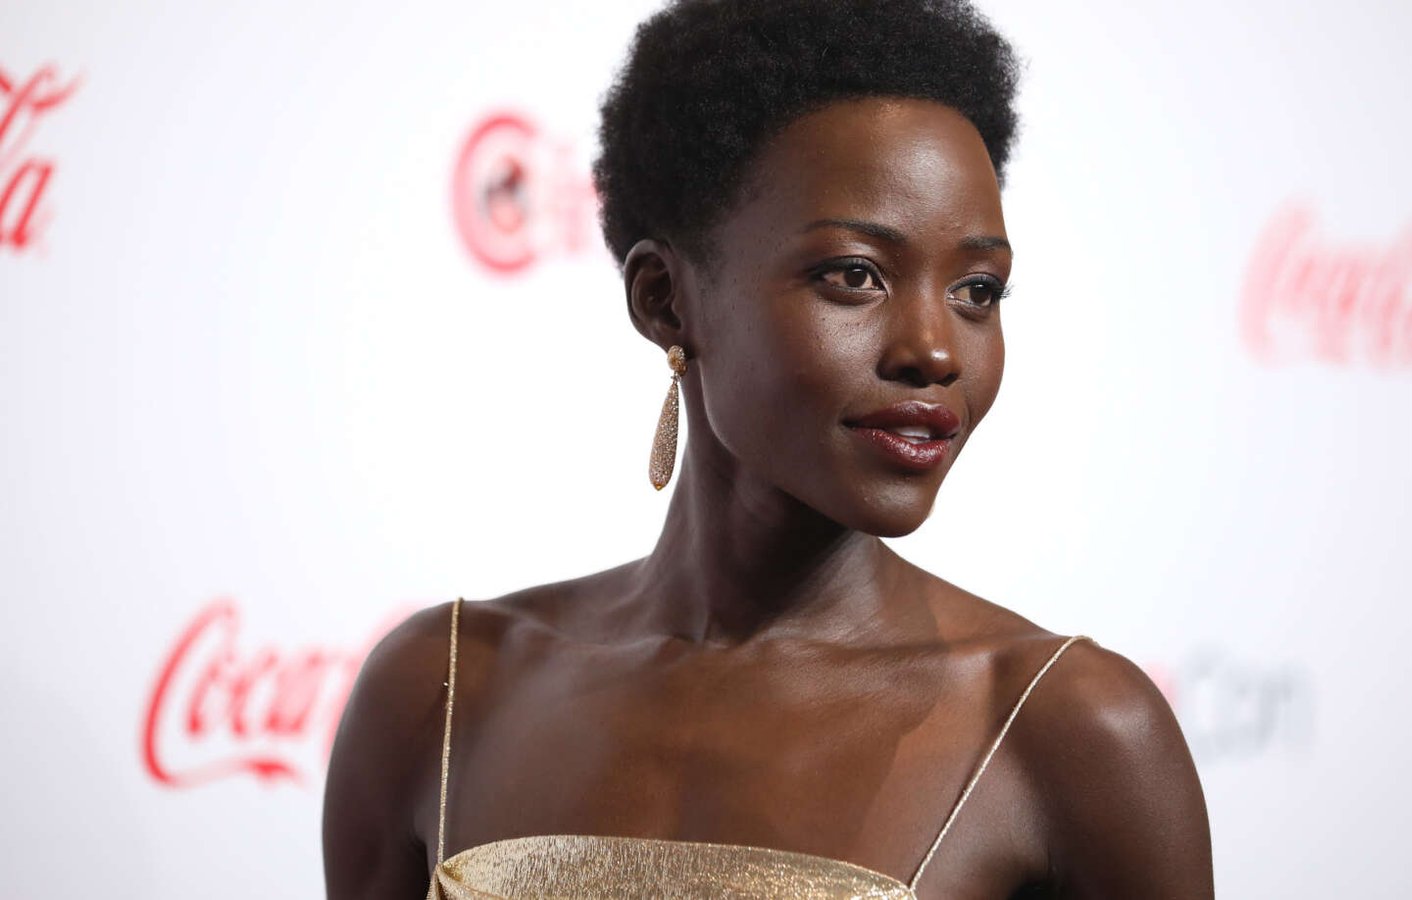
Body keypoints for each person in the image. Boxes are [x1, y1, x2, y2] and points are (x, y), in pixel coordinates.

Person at [323, 0, 1213, 896]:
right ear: (666, 300)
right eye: (856, 276)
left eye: (978, 290)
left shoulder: (1069, 731)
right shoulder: (438, 693)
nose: (936, 351)